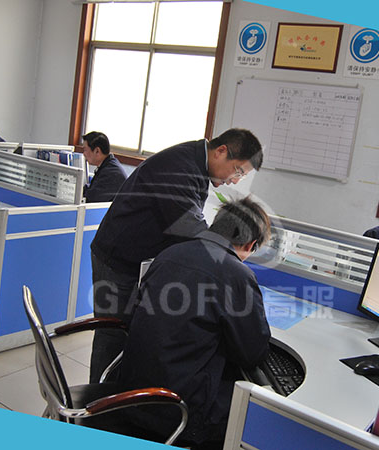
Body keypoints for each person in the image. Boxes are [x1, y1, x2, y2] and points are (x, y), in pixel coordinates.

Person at [89, 128, 263, 382]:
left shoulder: (196, 164)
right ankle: (100, 399)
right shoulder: (178, 167)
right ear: (221, 151)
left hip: (137, 259)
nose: (235, 181)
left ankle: (121, 393)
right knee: (112, 335)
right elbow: (191, 228)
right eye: (238, 171)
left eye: (242, 176)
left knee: (133, 334)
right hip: (117, 260)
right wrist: (231, 264)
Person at [117, 197, 272, 448]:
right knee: (255, 407)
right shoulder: (236, 274)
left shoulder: (168, 254)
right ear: (250, 244)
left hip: (132, 394)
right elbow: (252, 353)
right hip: (178, 408)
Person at [81, 131, 127, 203]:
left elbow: (91, 199)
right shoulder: (107, 165)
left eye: (85, 150)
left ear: (97, 151)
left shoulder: (112, 174)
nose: (84, 154)